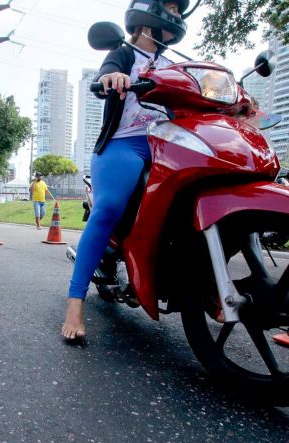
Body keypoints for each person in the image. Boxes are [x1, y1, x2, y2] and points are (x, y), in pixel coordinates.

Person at [61, 0, 187, 341]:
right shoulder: (124, 52)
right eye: (172, 9)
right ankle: (75, 302)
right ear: (148, 18)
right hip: (125, 144)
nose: (178, 17)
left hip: (168, 146)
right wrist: (111, 77)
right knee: (108, 210)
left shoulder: (175, 65)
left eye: (179, 11)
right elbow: (106, 74)